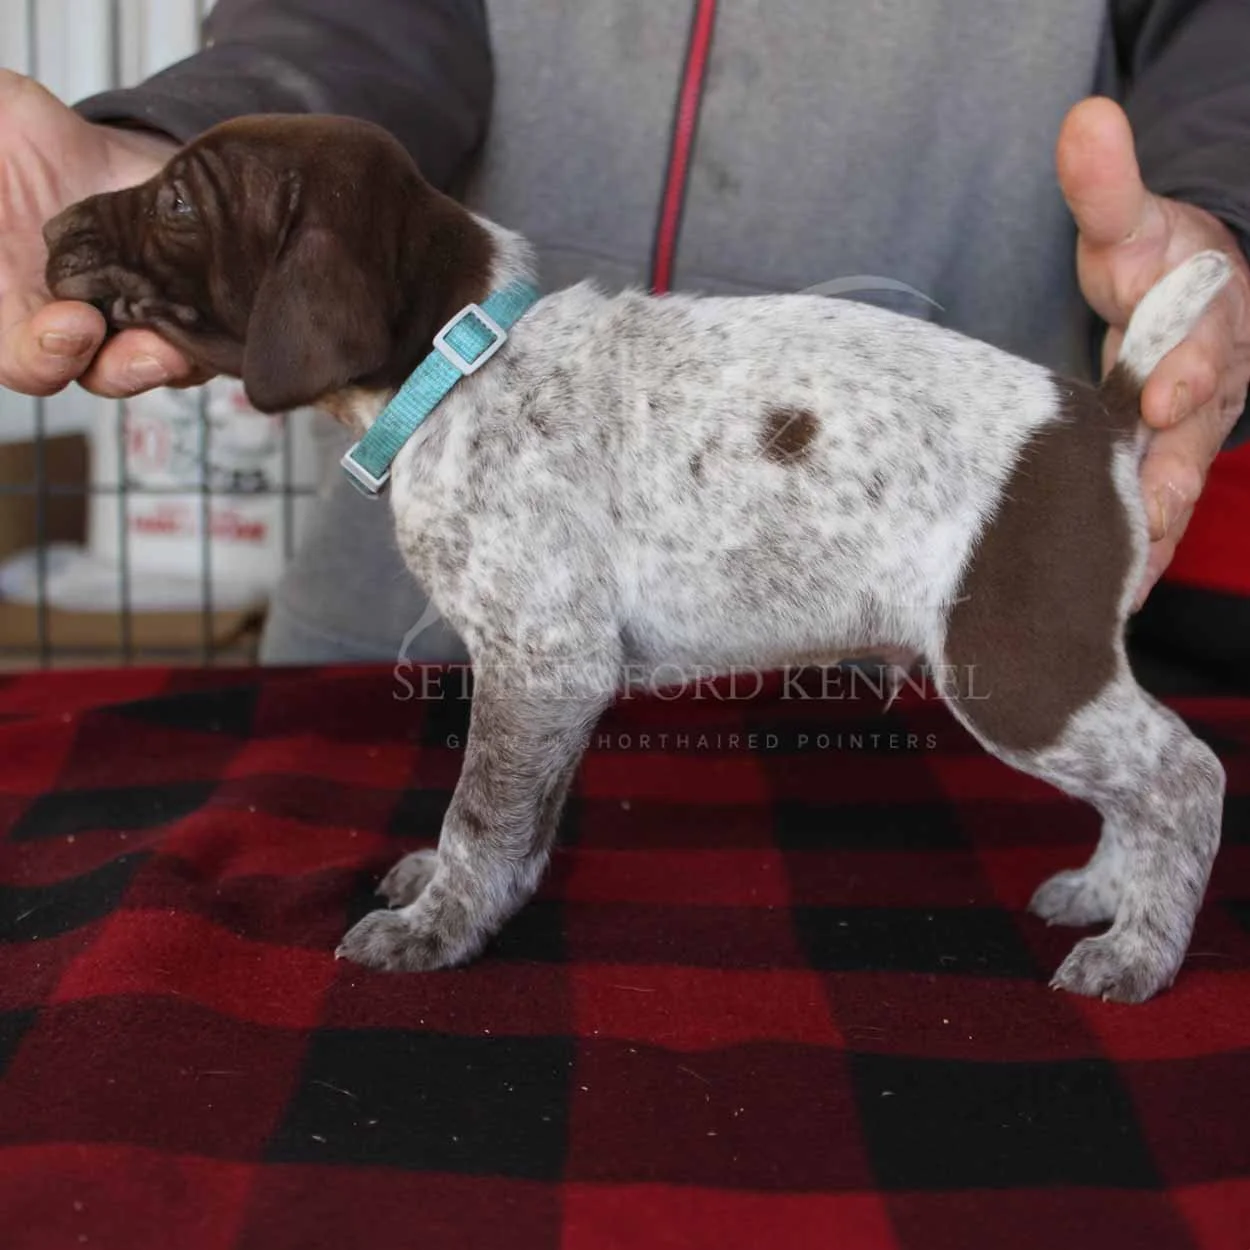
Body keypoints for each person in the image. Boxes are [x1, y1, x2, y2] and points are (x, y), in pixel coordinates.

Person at [1, 0, 1248, 679]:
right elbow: (356, 21)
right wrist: (181, 166)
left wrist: (1218, 215)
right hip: (415, 636)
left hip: (916, 609)